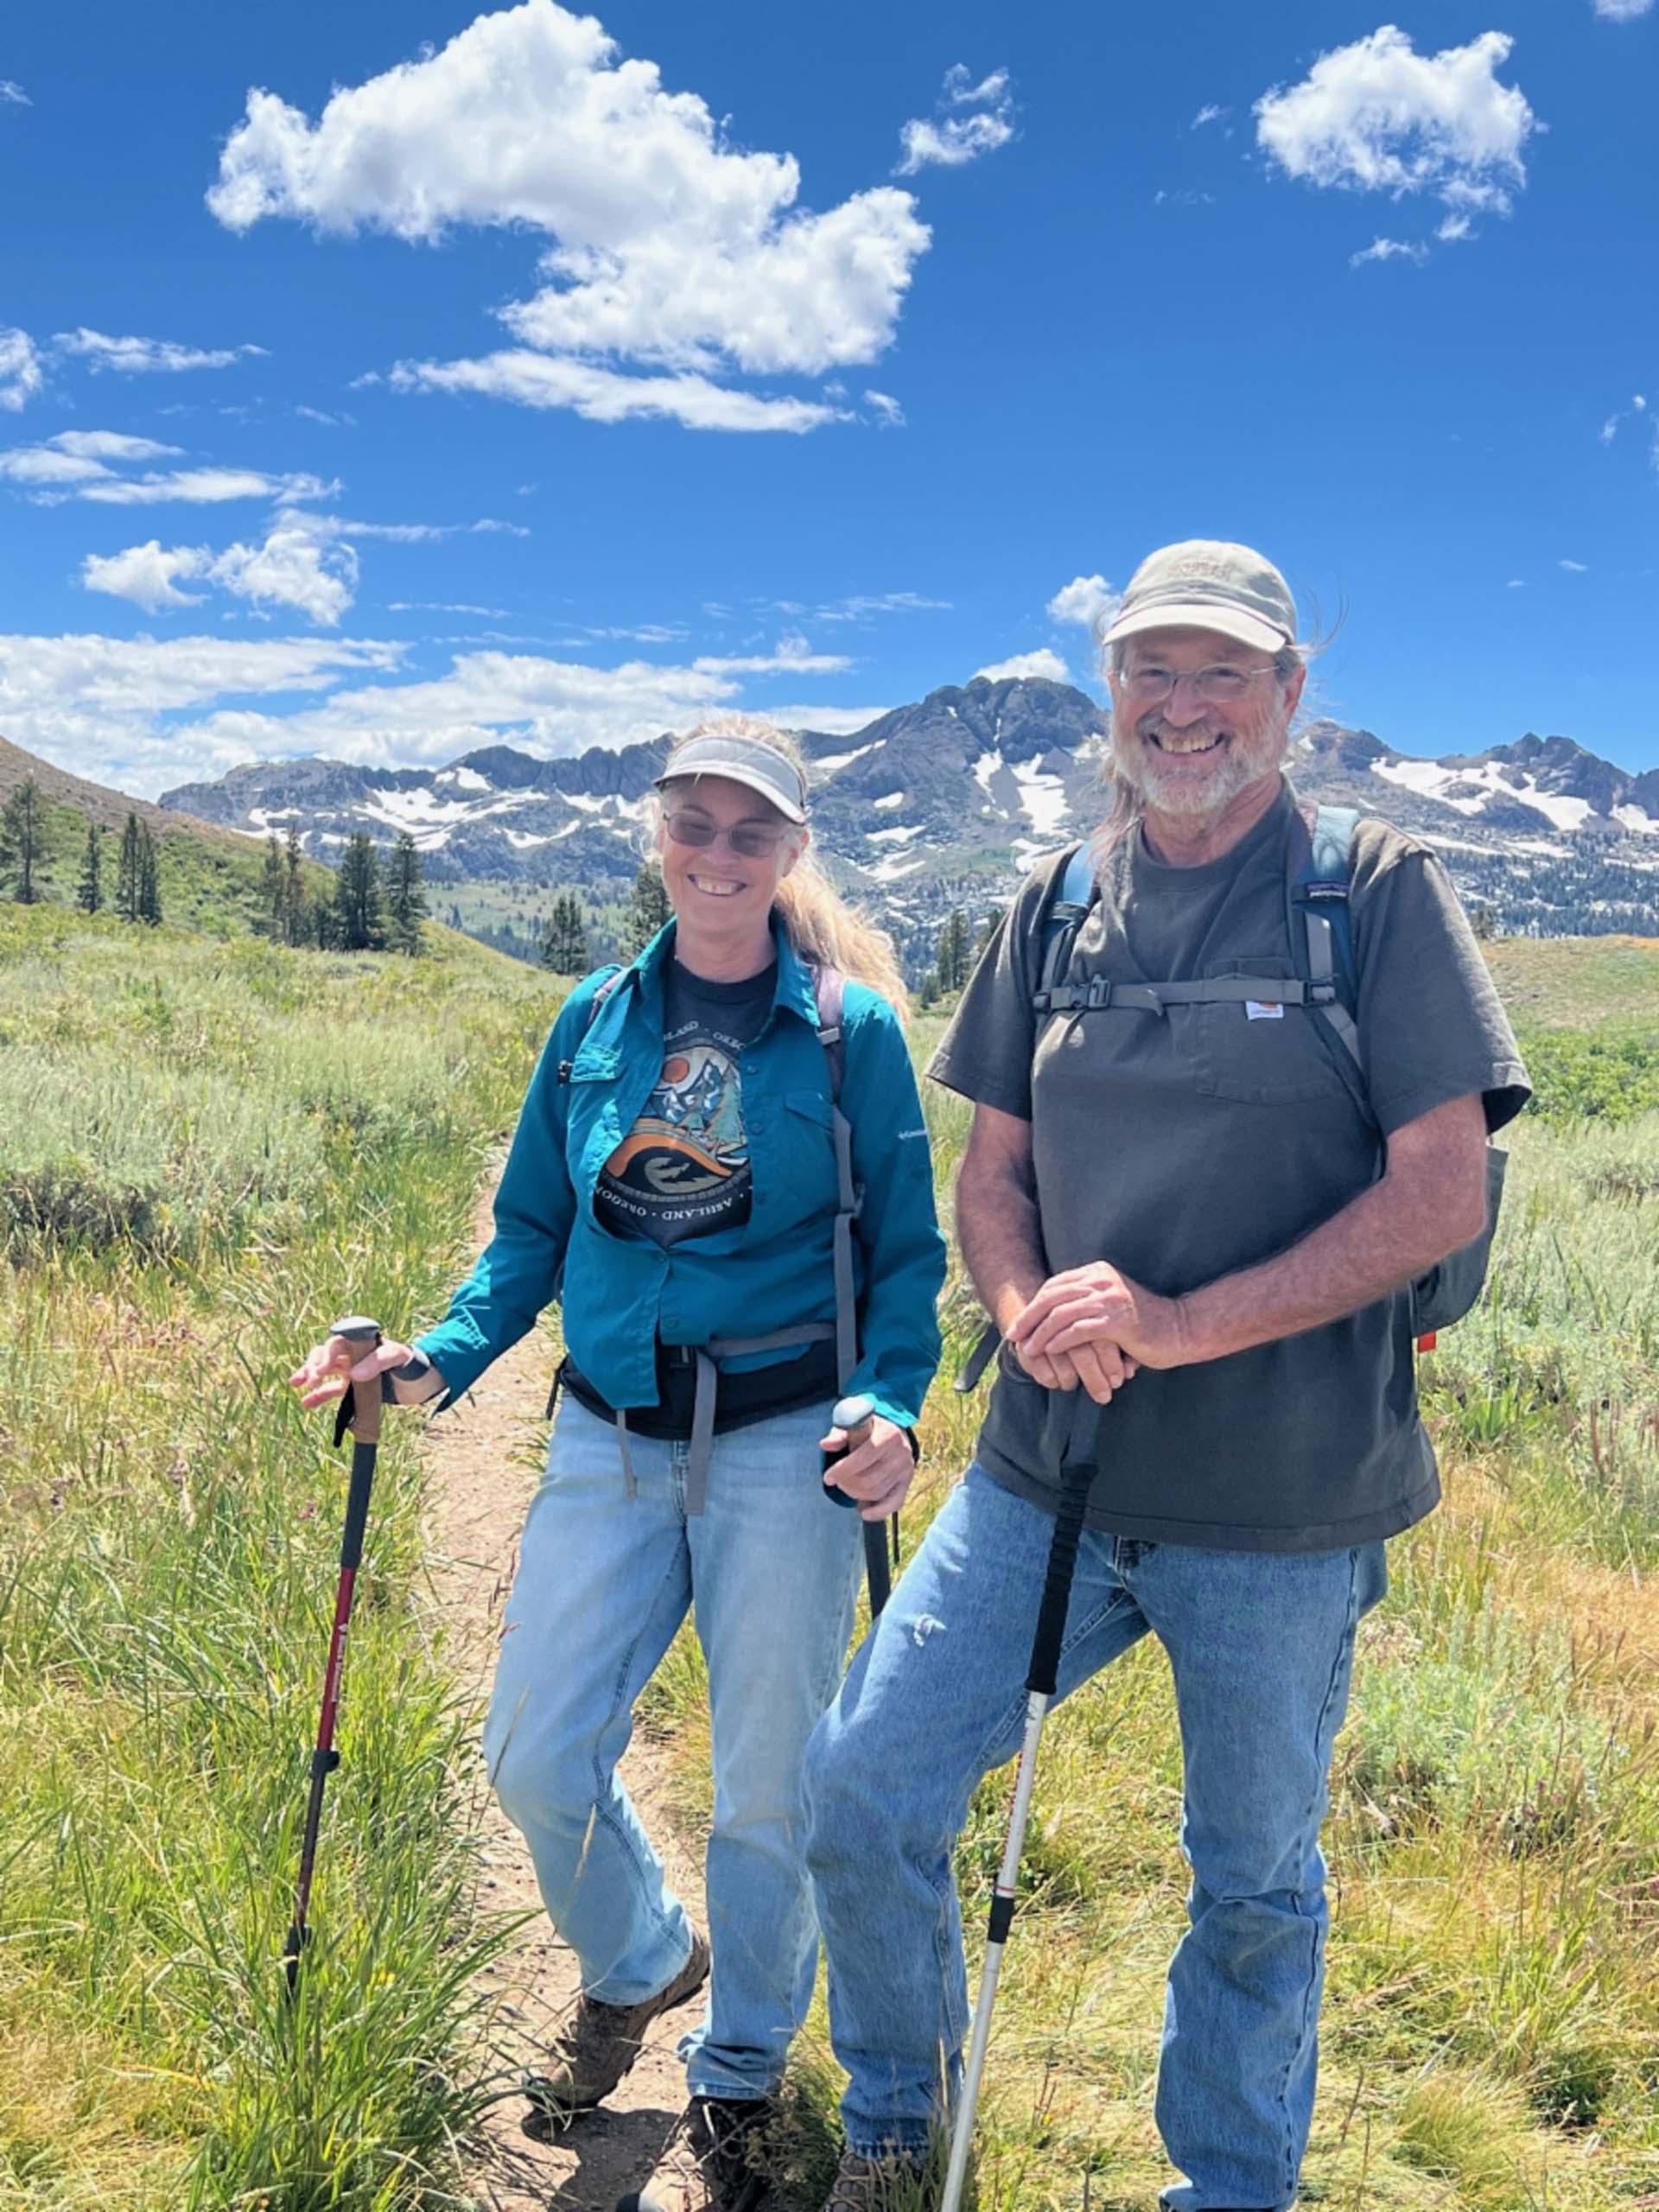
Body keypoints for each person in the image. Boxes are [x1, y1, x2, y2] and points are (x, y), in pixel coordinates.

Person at [803, 542, 1531, 2211]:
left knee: (1253, 1883)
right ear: (1111, 694)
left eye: (1223, 674)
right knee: (865, 1787)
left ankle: (1228, 2187)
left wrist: (1180, 1325)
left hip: (1283, 1509)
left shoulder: (1377, 891)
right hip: (1044, 1477)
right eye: (1152, 672)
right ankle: (897, 2124)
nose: (1183, 708)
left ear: (1289, 696)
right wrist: (1027, 1306)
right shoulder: (1053, 901)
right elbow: (993, 1174)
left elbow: (1441, 1194)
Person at [291, 714, 945, 2212]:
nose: (718, 855)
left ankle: (742, 2070)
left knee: (768, 1786)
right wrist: (436, 1358)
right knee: (532, 1747)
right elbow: (531, 1232)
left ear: (790, 851)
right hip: (606, 1430)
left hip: (788, 1442)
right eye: (693, 826)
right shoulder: (594, 1018)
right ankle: (648, 1957)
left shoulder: (850, 1032)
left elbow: (905, 1259)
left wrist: (894, 1405)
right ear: (659, 836)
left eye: (750, 832)